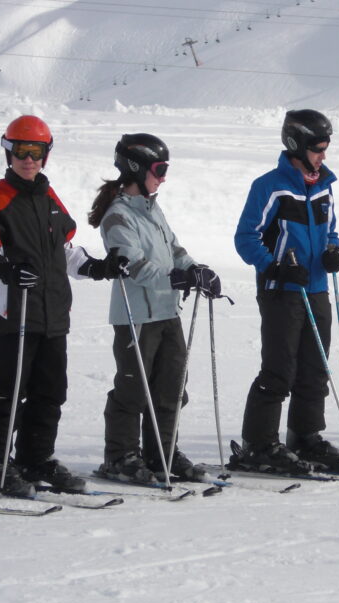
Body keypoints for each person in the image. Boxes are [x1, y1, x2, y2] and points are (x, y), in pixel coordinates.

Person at [0, 115, 128, 496]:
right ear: (8, 152)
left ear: (45, 154)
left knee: (50, 391)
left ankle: (35, 458)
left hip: (53, 314)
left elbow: (66, 251)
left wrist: (101, 267)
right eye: (21, 150)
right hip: (14, 313)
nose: (28, 159)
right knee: (7, 389)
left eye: (36, 151)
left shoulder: (50, 199)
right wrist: (7, 271)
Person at [89, 133, 222, 483]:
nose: (164, 177)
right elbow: (135, 267)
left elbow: (175, 249)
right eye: (159, 169)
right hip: (136, 318)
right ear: (136, 168)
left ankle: (162, 452)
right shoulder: (117, 217)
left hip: (166, 313)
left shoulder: (152, 208)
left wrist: (197, 270)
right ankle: (121, 456)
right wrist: (178, 278)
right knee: (134, 389)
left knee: (172, 388)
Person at [229, 109, 339, 474]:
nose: (323, 155)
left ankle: (305, 436)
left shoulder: (324, 186)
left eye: (326, 147)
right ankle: (259, 443)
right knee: (279, 369)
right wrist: (275, 266)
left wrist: (333, 252)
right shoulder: (269, 186)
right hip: (281, 290)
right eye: (317, 148)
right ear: (295, 145)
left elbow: (331, 230)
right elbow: (245, 237)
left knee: (315, 369)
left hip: (316, 287)